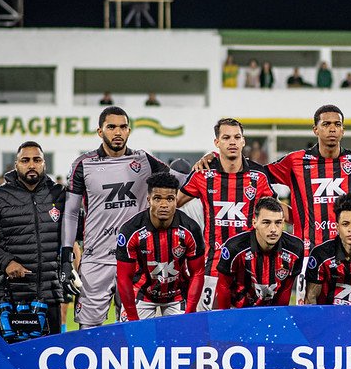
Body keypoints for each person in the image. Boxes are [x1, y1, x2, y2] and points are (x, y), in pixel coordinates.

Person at [60, 106, 192, 329]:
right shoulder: (84, 164)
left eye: (123, 127)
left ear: (129, 131)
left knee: (134, 330)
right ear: (100, 131)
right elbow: (71, 212)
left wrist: (194, 167)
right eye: (111, 127)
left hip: (135, 260)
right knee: (89, 331)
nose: (117, 132)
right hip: (96, 259)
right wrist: (65, 258)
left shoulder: (143, 161)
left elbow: (175, 182)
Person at [266, 105, 351, 303]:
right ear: (315, 129)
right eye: (326, 124)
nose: (332, 129)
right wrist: (289, 214)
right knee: (309, 319)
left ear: (343, 130)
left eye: (337, 124)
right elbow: (258, 176)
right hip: (309, 254)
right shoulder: (296, 161)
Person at [0, 141, 67, 338]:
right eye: (25, 160)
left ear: (44, 163)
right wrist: (6, 262)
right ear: (16, 165)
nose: (31, 165)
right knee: (11, 364)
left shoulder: (59, 194)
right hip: (8, 295)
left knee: (49, 363)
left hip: (49, 295)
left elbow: (79, 230)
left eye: (36, 160)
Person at [177, 118, 276, 311]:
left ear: (243, 141)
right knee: (207, 328)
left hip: (249, 269)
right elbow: (173, 205)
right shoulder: (202, 175)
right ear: (217, 143)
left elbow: (277, 213)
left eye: (237, 137)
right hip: (212, 267)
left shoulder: (258, 177)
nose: (232, 142)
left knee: (248, 330)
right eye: (226, 137)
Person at [115, 172, 205, 321]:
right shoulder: (130, 230)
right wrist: (132, 317)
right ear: (149, 200)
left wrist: (190, 312)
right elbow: (124, 277)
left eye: (169, 199)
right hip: (141, 294)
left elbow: (198, 272)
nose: (164, 205)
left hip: (177, 295)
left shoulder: (191, 229)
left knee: (183, 340)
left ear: (176, 201)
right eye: (157, 198)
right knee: (135, 340)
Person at [215, 197, 304, 308]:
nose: (273, 229)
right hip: (238, 312)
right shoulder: (235, 247)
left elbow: (285, 291)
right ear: (254, 223)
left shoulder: (295, 248)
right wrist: (226, 319)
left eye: (278, 223)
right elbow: (223, 286)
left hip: (270, 312)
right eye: (266, 222)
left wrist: (278, 317)